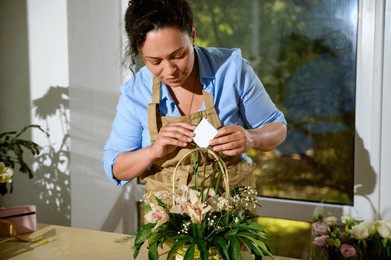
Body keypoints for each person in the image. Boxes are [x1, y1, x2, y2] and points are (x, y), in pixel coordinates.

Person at [103, 0, 287, 194]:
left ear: (192, 35)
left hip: (233, 210)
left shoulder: (231, 69)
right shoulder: (136, 92)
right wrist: (153, 151)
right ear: (140, 52)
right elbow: (115, 168)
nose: (170, 70)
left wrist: (252, 138)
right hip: (167, 215)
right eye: (155, 61)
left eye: (178, 55)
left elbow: (277, 128)